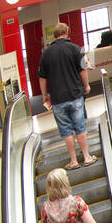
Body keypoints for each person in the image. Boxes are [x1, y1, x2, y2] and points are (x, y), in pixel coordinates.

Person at [37, 23, 94, 169]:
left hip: (57, 99)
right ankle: (87, 157)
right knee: (80, 127)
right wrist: (86, 85)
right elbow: (83, 69)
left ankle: (74, 161)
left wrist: (44, 95)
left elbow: (42, 77)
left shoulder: (46, 54)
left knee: (66, 130)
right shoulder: (75, 49)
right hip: (75, 95)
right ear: (67, 32)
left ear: (54, 36)